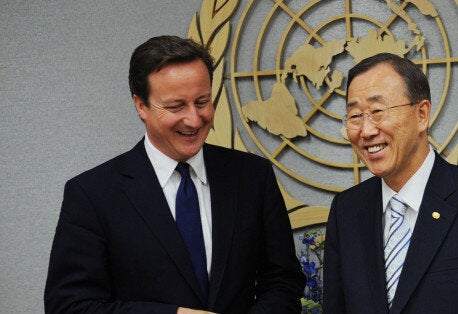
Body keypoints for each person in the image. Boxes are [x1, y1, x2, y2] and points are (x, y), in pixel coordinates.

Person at [44, 35, 305, 314]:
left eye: (202, 102)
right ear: (140, 105)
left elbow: (283, 282)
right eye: (175, 106)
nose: (193, 119)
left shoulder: (253, 176)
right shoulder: (92, 194)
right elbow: (70, 306)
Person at [323, 53, 458, 313]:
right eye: (355, 116)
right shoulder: (346, 210)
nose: (367, 130)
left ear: (422, 114)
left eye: (378, 111)